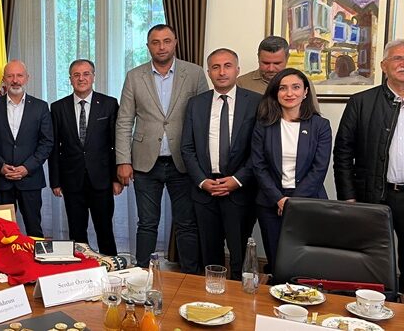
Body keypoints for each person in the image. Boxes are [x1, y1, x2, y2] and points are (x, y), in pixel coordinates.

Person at [115, 23, 208, 272]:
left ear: (175, 42)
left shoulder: (195, 73)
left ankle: (190, 276)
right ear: (148, 46)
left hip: (184, 163)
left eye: (167, 41)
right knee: (147, 223)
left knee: (187, 223)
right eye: (155, 42)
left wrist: (203, 163)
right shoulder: (135, 76)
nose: (162, 47)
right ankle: (140, 273)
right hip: (145, 163)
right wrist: (123, 160)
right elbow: (124, 120)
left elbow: (204, 118)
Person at [181, 49, 261, 279]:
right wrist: (202, 181)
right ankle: (213, 294)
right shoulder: (196, 104)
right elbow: (187, 148)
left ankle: (238, 296)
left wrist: (237, 180)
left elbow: (259, 150)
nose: (222, 72)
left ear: (237, 70)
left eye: (227, 66)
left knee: (239, 253)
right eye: (215, 67)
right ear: (208, 72)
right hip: (205, 190)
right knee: (209, 252)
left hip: (240, 190)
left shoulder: (255, 102)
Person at [334, 39, 404, 291]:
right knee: (368, 260)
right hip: (372, 195)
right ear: (384, 65)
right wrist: (348, 196)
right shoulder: (361, 102)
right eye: (398, 58)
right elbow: (343, 152)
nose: (403, 64)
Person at [251, 68, 331, 273]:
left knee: (306, 262)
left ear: (305, 92)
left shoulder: (320, 125)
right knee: (277, 261)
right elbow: (259, 166)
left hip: (308, 202)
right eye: (283, 88)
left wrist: (292, 202)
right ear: (275, 93)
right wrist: (279, 199)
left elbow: (319, 168)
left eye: (296, 87)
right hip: (271, 202)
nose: (289, 93)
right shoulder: (264, 125)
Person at [48, 59, 122, 255]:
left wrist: (116, 178)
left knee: (105, 230)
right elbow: (54, 147)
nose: (81, 78)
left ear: (93, 77)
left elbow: (116, 144)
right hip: (72, 181)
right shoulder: (58, 107)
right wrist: (55, 181)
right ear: (70, 79)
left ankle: (111, 267)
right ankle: (82, 268)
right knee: (76, 232)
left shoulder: (109, 104)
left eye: (86, 74)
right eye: (76, 75)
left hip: (102, 180)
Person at [0, 60, 53, 237]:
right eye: (10, 76)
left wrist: (27, 167)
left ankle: (35, 256)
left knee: (34, 229)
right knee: (4, 233)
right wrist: (0, 166)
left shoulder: (41, 107)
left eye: (19, 75)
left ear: (27, 78)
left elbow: (47, 142)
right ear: (4, 79)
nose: (15, 80)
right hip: (2, 179)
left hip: (30, 179)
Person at [236, 35, 320, 109]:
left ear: (287, 58)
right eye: (266, 63)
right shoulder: (241, 83)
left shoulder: (303, 82)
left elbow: (314, 116)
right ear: (258, 58)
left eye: (277, 63)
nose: (271, 69)